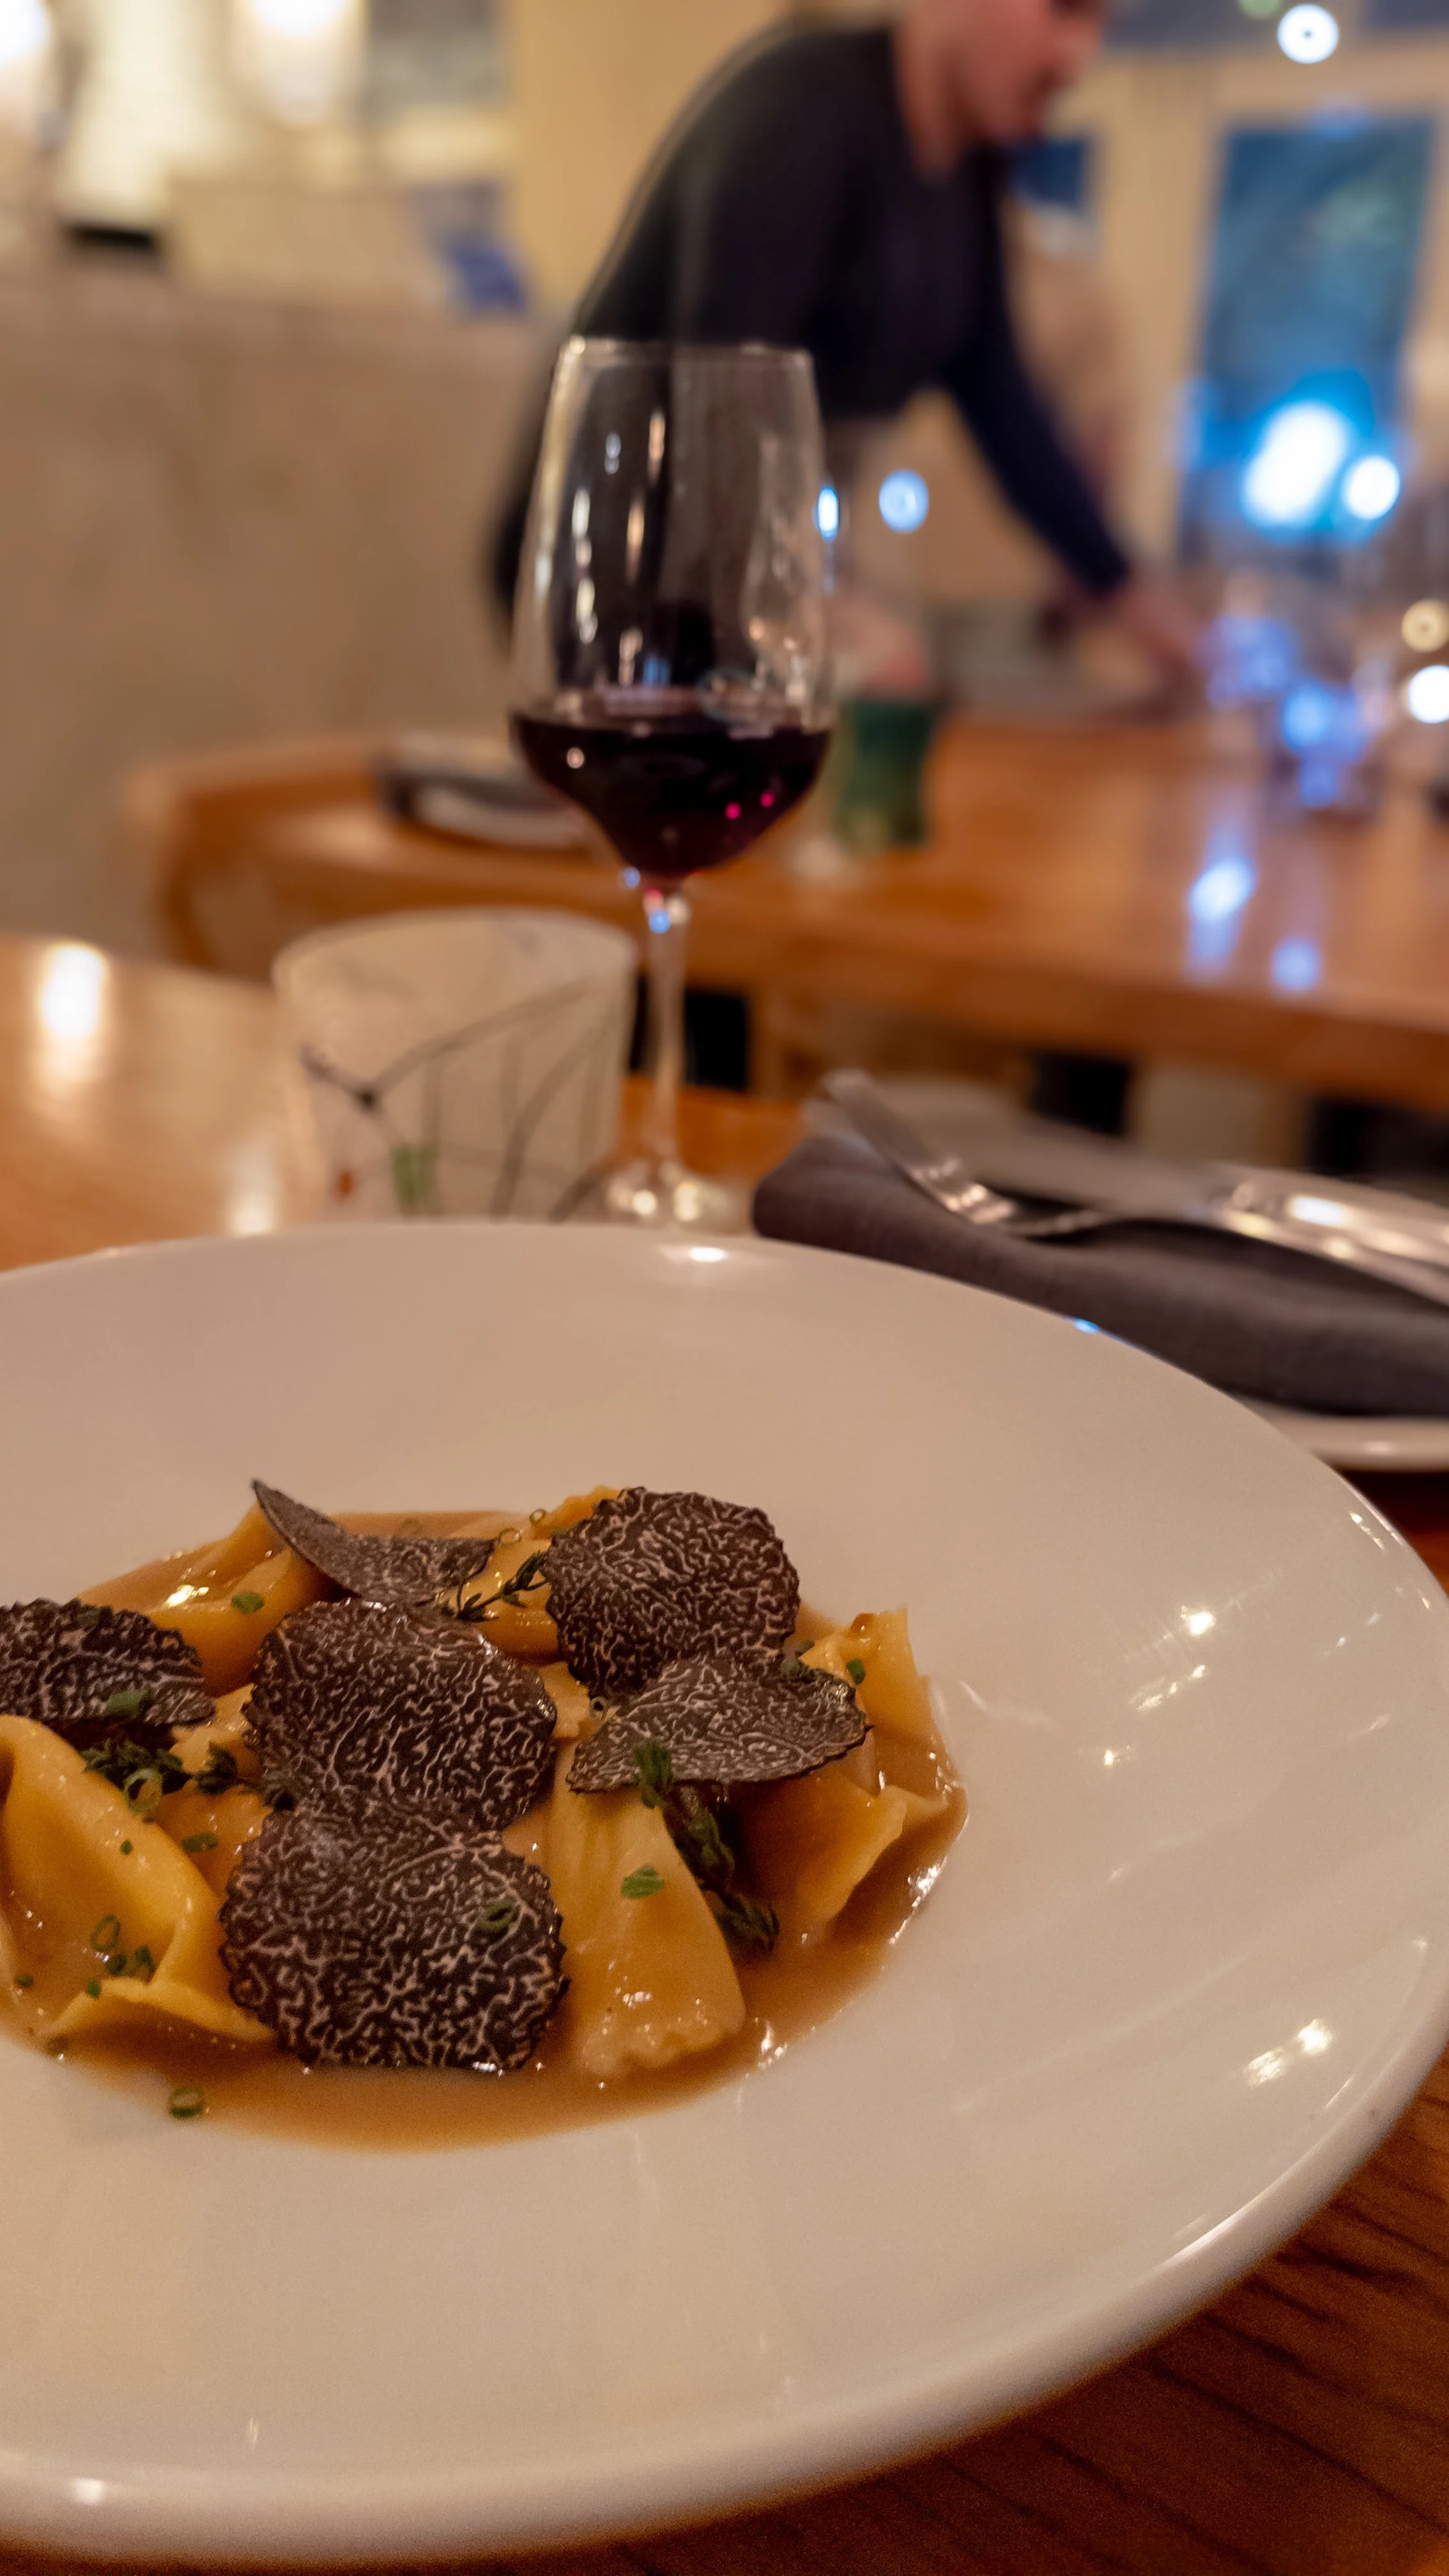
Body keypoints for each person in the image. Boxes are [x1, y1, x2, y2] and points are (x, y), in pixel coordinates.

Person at [493, 0, 1198, 686]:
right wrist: (820, 614)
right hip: (622, 571)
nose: (1080, 56)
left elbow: (1005, 406)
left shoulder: (969, 172)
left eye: (1101, 22)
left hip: (752, 573)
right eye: (1064, 9)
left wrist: (1131, 594)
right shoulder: (799, 112)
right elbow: (720, 404)